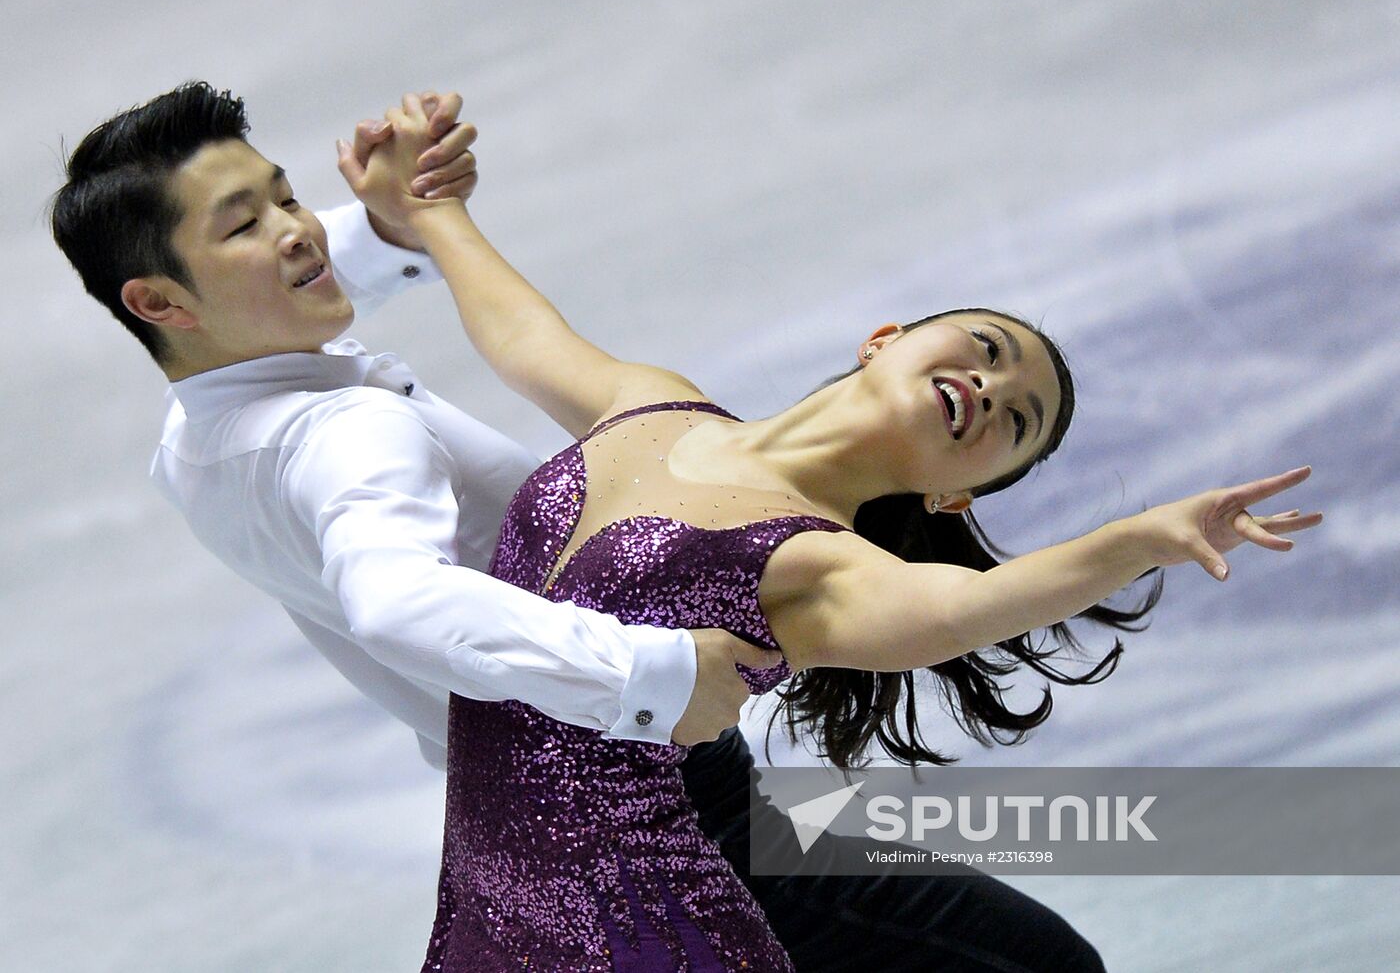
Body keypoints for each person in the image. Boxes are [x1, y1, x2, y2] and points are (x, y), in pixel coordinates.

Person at [51, 82, 1131, 972]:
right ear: (161, 301)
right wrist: (647, 670)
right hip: (651, 806)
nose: (293, 231)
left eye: (283, 197)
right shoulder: (350, 441)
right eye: (247, 224)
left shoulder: (198, 430)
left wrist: (389, 228)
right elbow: (395, 599)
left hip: (521, 831)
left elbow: (283, 313)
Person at [341, 97, 1323, 972]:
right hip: (508, 869)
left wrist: (1134, 539)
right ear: (885, 340)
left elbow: (963, 607)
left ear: (956, 496)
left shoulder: (821, 563)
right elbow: (525, 334)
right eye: (986, 350)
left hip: (681, 870)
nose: (988, 387)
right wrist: (426, 210)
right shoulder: (655, 406)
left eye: (1013, 422)